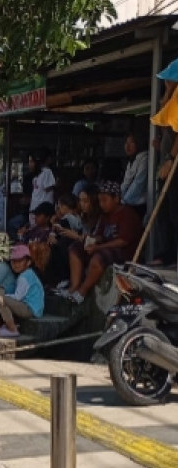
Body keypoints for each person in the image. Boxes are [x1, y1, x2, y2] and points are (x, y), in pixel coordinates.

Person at [65, 181, 142, 304]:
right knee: (75, 248)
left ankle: (82, 292)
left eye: (105, 200)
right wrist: (92, 240)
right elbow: (100, 236)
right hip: (103, 247)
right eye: (100, 201)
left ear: (116, 199)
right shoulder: (105, 216)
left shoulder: (128, 215)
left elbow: (122, 241)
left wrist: (99, 247)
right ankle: (74, 286)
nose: (102, 204)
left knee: (98, 258)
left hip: (123, 253)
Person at [149, 65, 178, 267]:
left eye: (169, 80)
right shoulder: (173, 97)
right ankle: (167, 254)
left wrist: (169, 158)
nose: (166, 83)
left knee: (174, 211)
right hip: (167, 161)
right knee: (165, 211)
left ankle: (173, 255)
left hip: (174, 163)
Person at [0, 244, 44, 338]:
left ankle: (12, 329)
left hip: (30, 309)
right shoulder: (26, 274)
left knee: (1, 299)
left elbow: (17, 297)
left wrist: (2, 296)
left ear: (28, 262)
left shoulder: (25, 277)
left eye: (20, 261)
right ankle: (10, 324)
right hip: (28, 307)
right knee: (1, 291)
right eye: (13, 261)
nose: (16, 264)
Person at [120, 133, 148, 220]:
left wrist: (124, 200)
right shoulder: (131, 161)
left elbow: (139, 183)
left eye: (131, 143)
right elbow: (125, 183)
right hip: (128, 203)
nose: (127, 146)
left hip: (139, 205)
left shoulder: (145, 158)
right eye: (126, 143)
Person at [29, 150, 56, 225]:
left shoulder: (46, 172)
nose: (29, 164)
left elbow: (47, 188)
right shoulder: (39, 174)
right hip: (36, 210)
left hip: (41, 212)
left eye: (31, 161)